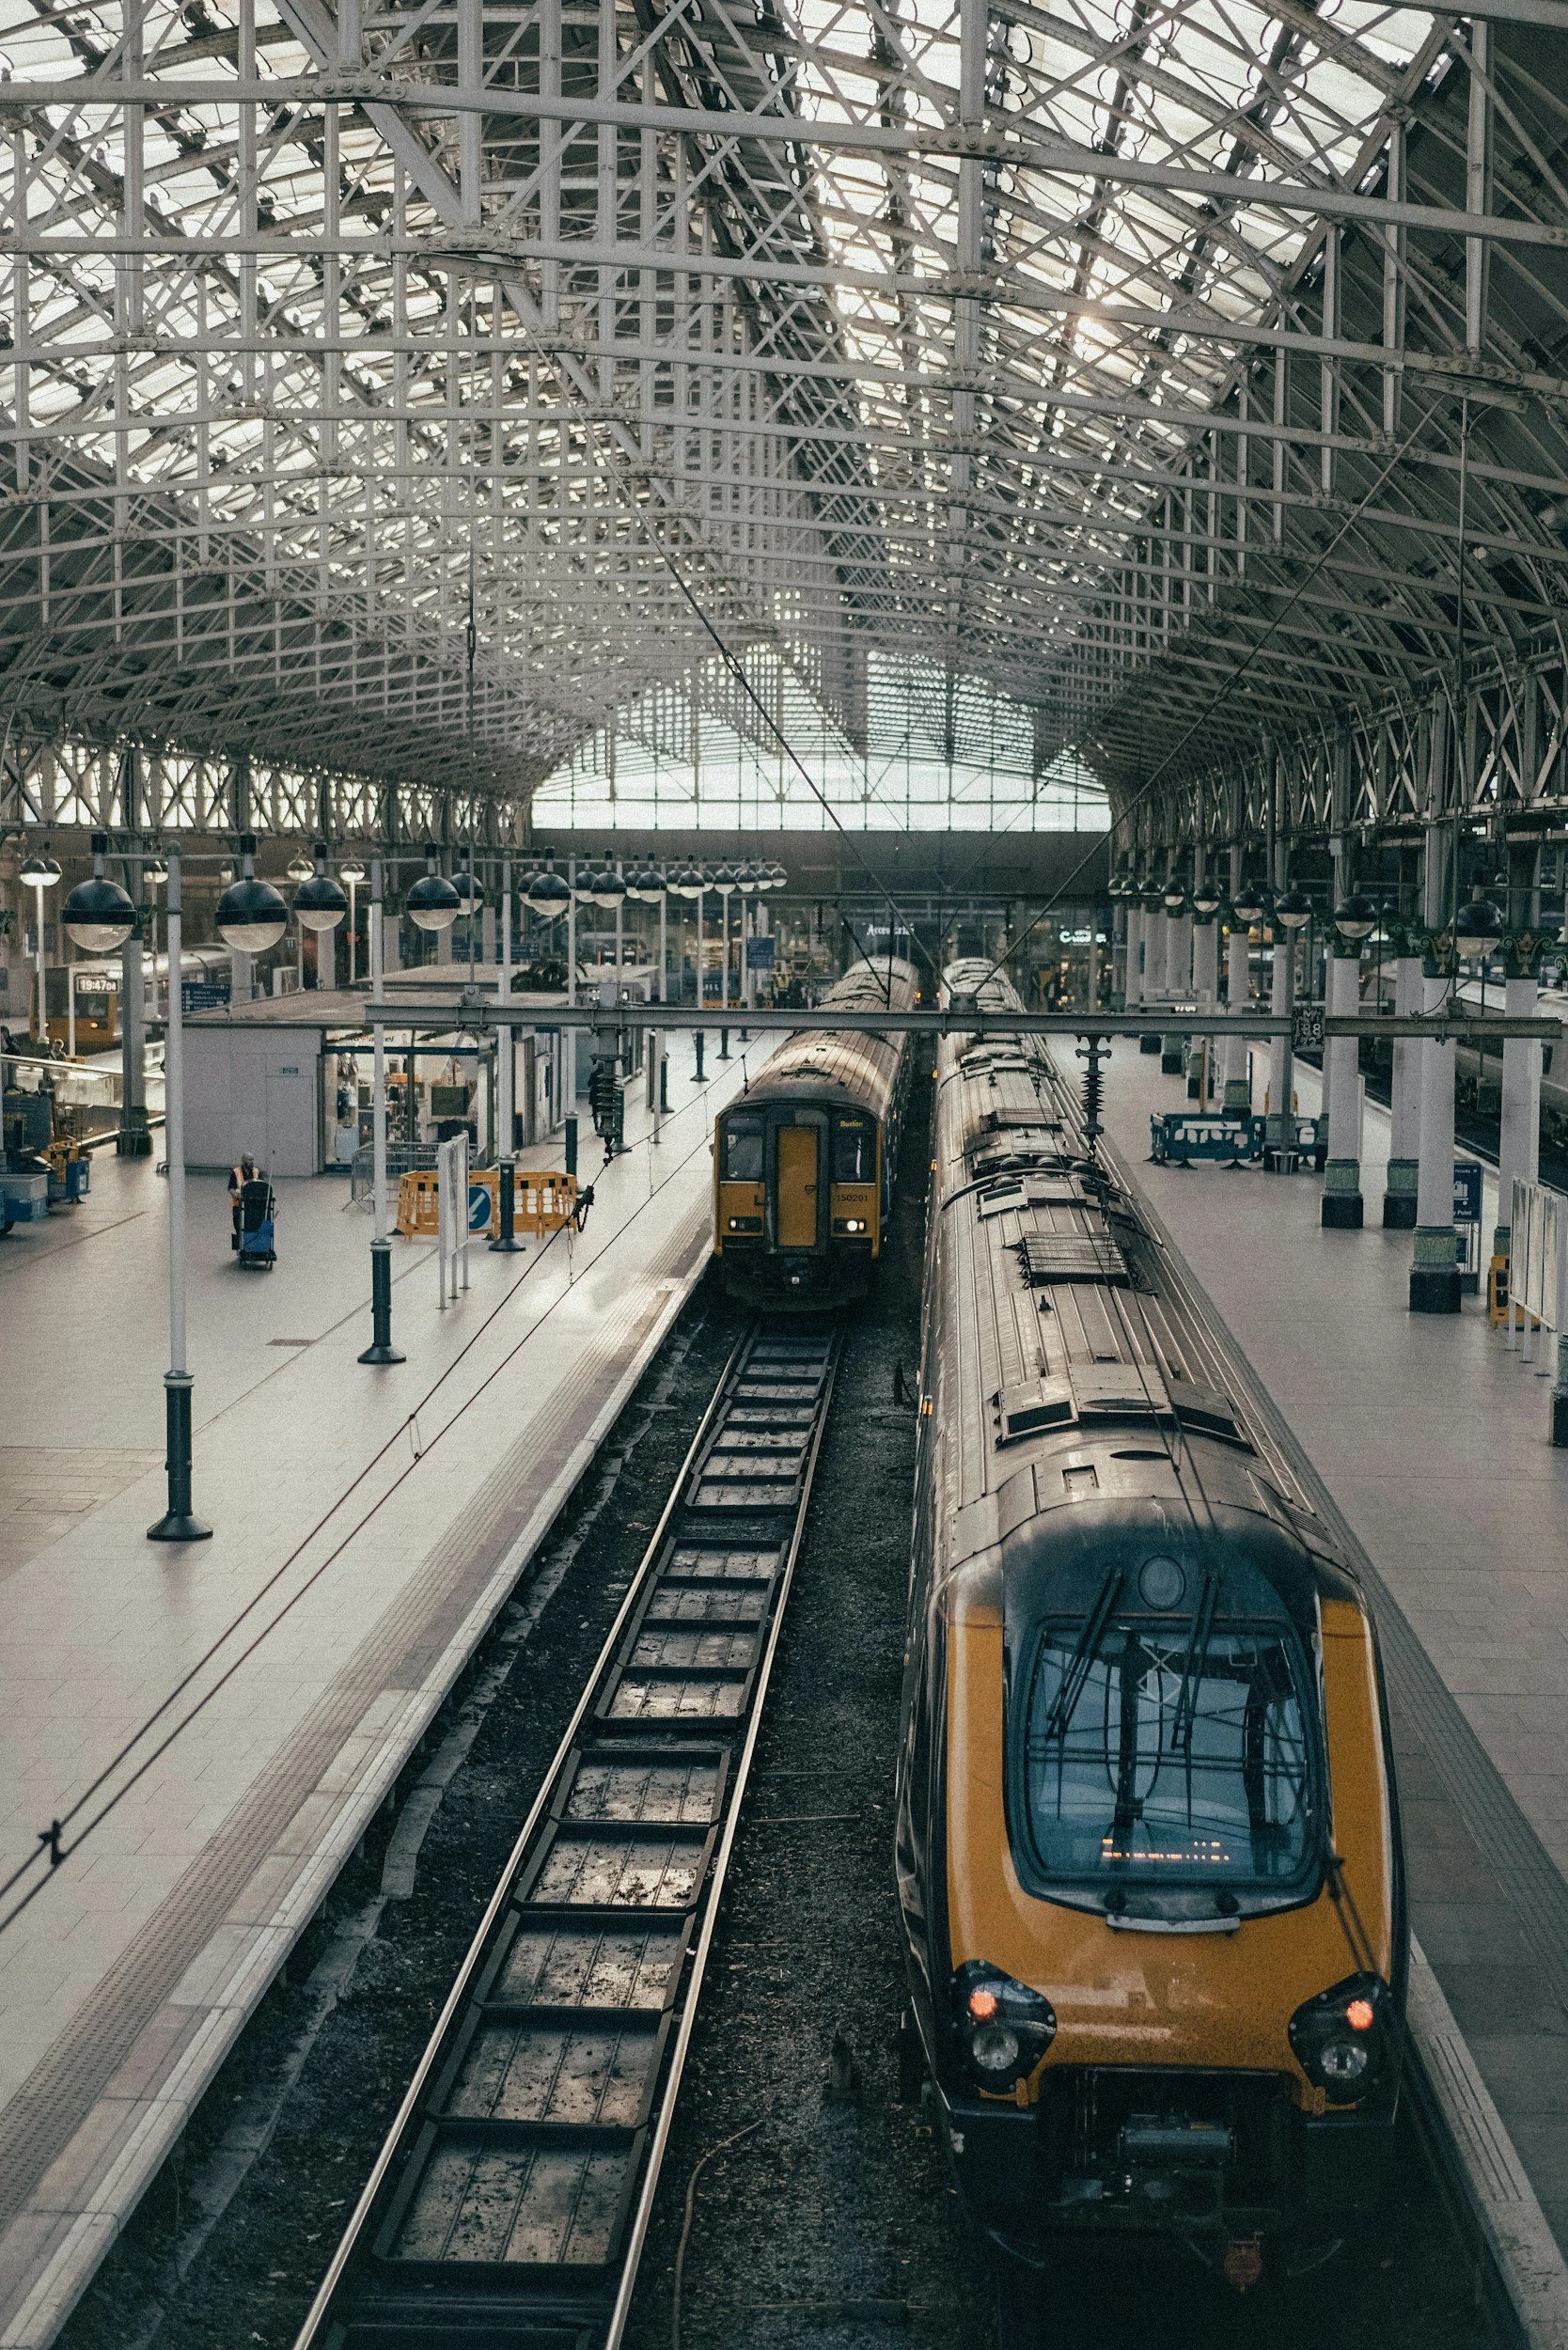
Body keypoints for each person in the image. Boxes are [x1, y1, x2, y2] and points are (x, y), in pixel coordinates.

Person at [228, 1152, 256, 1252]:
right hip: (238, 1205)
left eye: (253, 1159)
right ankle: (241, 1244)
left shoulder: (257, 1172)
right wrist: (237, 1195)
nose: (252, 1162)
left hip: (253, 1205)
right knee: (238, 1223)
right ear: (244, 1160)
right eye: (249, 1159)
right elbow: (231, 1188)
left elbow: (263, 1185)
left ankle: (252, 1244)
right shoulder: (236, 1172)